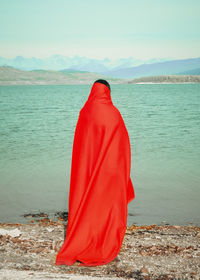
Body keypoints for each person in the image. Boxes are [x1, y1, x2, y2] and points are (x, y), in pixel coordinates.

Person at [55, 79, 135, 267]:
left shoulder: (85, 112)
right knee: (108, 206)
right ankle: (102, 242)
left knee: (88, 202)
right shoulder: (114, 114)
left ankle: (83, 239)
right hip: (110, 170)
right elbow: (123, 146)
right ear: (108, 92)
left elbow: (81, 148)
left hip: (87, 170)